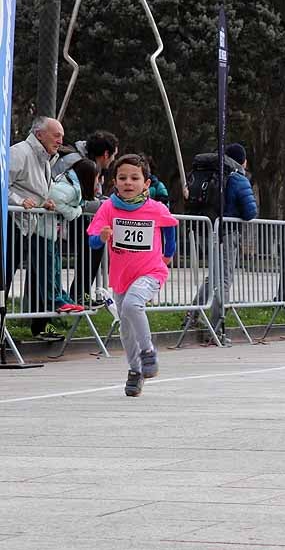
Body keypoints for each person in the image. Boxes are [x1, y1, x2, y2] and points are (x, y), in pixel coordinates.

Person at [87, 154, 178, 396]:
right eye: (123, 178)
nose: (128, 182)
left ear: (146, 183)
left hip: (150, 271)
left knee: (132, 304)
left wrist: (168, 255)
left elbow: (170, 228)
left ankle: (148, 351)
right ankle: (135, 370)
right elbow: (93, 240)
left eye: (135, 178)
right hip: (121, 276)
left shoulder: (156, 208)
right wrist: (101, 237)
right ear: (114, 182)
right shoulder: (108, 208)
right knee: (125, 330)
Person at [183, 143, 258, 335]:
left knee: (214, 277)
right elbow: (251, 212)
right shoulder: (237, 177)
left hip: (206, 231)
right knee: (224, 279)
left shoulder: (212, 173)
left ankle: (192, 315)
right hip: (227, 233)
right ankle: (217, 327)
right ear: (243, 160)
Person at [7, 116, 63, 340]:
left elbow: (35, 190)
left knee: (43, 276)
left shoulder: (44, 158)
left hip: (31, 226)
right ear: (39, 134)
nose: (60, 141)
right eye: (56, 135)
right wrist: (18, 201)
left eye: (61, 136)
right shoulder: (20, 152)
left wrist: (44, 202)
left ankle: (42, 327)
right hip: (13, 223)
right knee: (4, 278)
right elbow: (4, 184)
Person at [53, 131, 119, 305]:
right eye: (113, 156)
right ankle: (78, 296)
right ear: (106, 154)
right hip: (62, 215)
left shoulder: (81, 159)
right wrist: (106, 206)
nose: (112, 161)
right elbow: (80, 198)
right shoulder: (79, 162)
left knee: (91, 248)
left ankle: (80, 295)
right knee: (90, 248)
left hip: (68, 215)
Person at [45, 157, 98, 314]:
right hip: (43, 230)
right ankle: (55, 300)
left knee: (55, 267)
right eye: (96, 178)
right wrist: (77, 211)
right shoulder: (68, 188)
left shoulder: (72, 186)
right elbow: (55, 199)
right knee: (49, 268)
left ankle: (61, 297)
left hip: (51, 231)